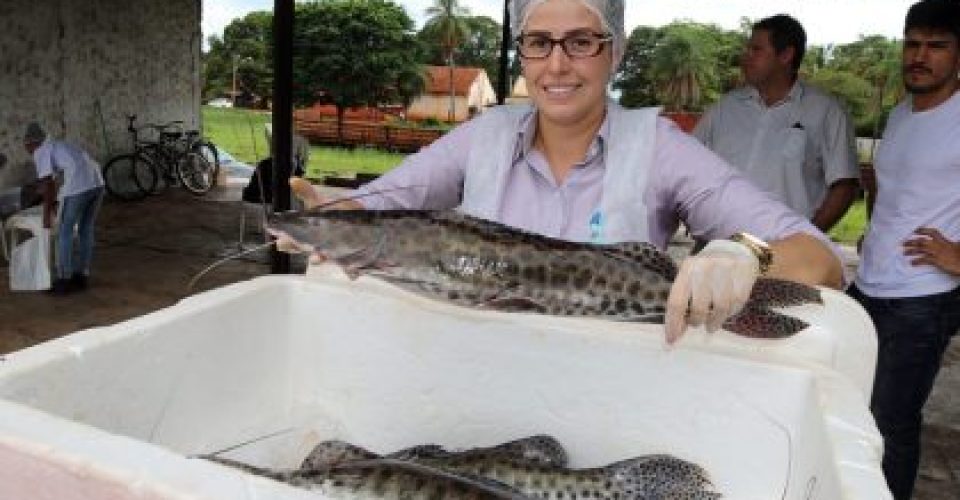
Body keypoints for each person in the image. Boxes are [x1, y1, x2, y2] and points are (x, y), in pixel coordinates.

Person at [288, 0, 843, 344]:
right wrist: (334, 217)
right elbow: (383, 201)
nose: (556, 64)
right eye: (537, 42)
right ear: (523, 53)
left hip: (609, 389)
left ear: (614, 52)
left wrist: (746, 255)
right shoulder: (485, 135)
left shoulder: (659, 147)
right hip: (470, 378)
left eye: (581, 41)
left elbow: (820, 260)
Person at [847, 1, 960, 498]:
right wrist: (877, 230)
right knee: (845, 401)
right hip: (870, 283)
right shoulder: (900, 114)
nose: (920, 56)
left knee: (890, 421)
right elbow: (898, 193)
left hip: (925, 297)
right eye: (913, 43)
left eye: (937, 46)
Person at [693, 14, 859, 232]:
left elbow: (844, 185)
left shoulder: (826, 112)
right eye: (747, 49)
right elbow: (689, 166)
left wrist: (808, 238)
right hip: (717, 245)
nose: (745, 57)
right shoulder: (725, 108)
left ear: (786, 55)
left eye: (756, 50)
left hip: (783, 252)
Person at [23, 122, 105, 294]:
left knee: (64, 232)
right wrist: (52, 202)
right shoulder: (60, 144)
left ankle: (63, 280)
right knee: (85, 229)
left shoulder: (41, 151)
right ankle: (81, 275)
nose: (28, 152)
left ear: (31, 143)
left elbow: (48, 184)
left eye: (27, 147)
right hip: (97, 183)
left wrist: (46, 215)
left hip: (78, 186)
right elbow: (52, 181)